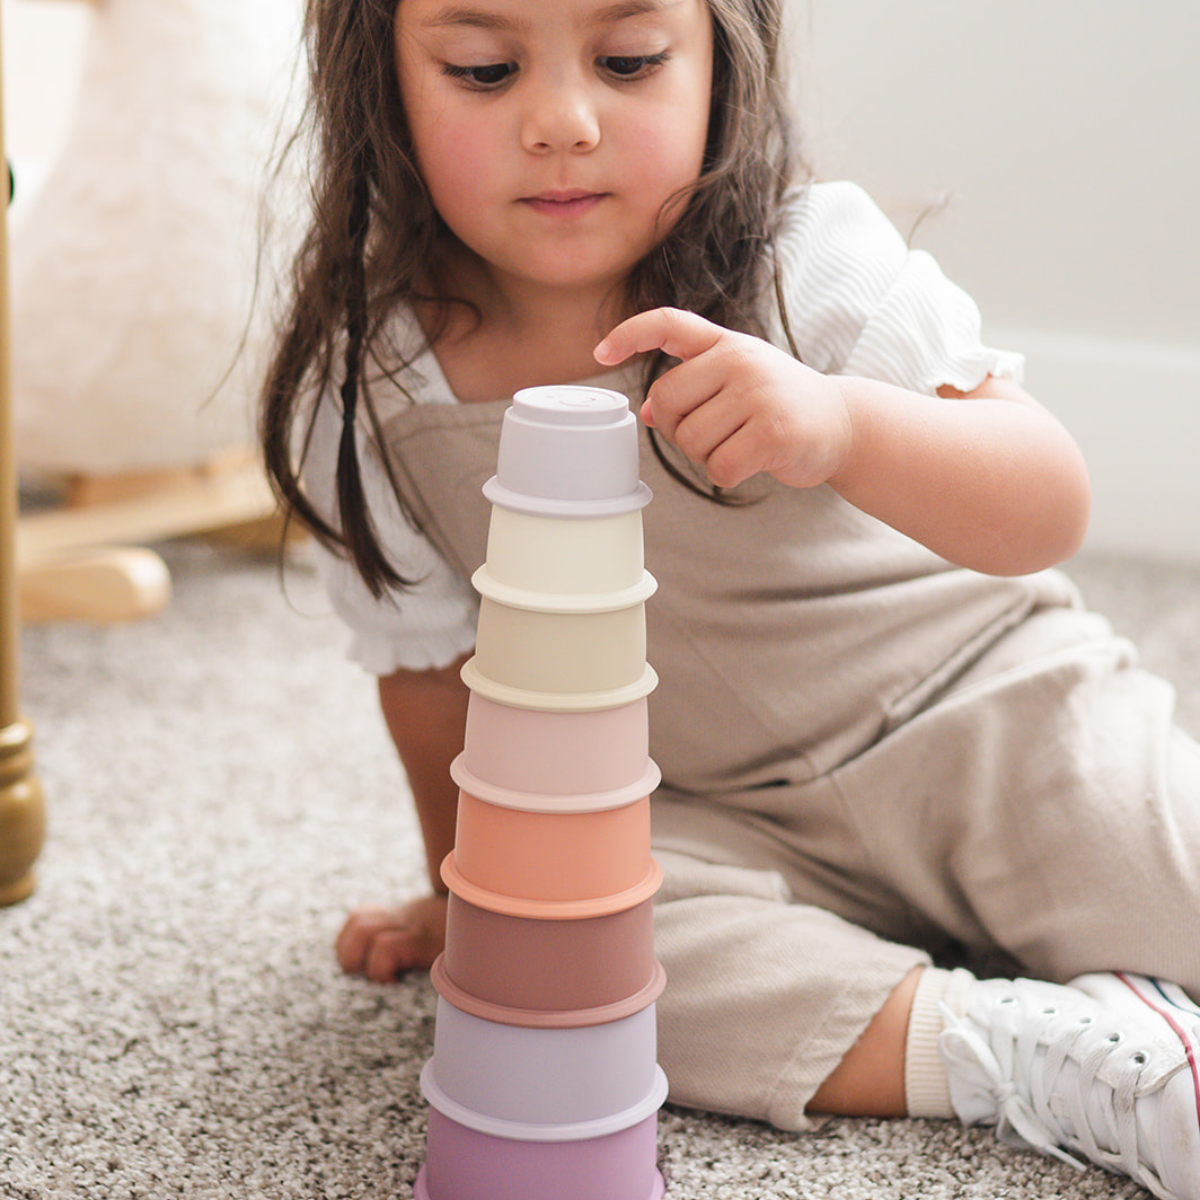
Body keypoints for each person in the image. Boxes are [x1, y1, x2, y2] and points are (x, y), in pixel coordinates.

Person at [260, 1, 1200, 1195]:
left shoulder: (805, 261)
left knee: (1169, 870)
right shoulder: (373, 380)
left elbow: (1047, 502)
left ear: (720, 61)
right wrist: (470, 898)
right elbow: (436, 678)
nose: (561, 122)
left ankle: (1112, 965)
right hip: (707, 809)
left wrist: (846, 425)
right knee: (571, 990)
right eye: (485, 70)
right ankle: (1038, 1051)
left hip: (992, 717)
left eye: (630, 62)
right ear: (380, 83)